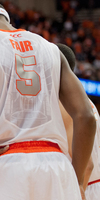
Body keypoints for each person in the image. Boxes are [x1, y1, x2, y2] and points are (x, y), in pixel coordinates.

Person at [0, 1, 96, 200]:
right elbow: (86, 116)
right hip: (57, 165)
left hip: (7, 165)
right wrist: (75, 181)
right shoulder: (52, 49)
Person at [57, 43, 100, 200]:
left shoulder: (66, 103)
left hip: (85, 186)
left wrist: (76, 190)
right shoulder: (86, 101)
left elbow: (87, 165)